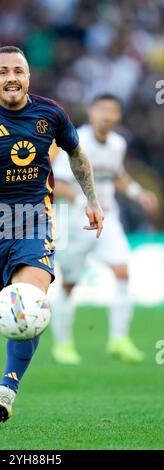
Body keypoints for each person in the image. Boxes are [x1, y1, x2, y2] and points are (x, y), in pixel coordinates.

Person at [0, 46, 103, 422]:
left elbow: (77, 154)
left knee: (30, 300)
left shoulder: (50, 113)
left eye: (18, 70)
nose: (11, 77)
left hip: (34, 219)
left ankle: (7, 390)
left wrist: (91, 199)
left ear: (29, 76)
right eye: (3, 72)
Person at [50, 94, 158, 365]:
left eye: (113, 111)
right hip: (75, 223)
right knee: (69, 283)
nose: (108, 116)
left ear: (118, 116)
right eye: (102, 110)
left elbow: (117, 174)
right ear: (91, 112)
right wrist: (85, 202)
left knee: (122, 271)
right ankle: (63, 345)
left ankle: (119, 340)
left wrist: (138, 192)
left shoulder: (117, 144)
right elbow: (57, 183)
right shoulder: (75, 142)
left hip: (107, 219)